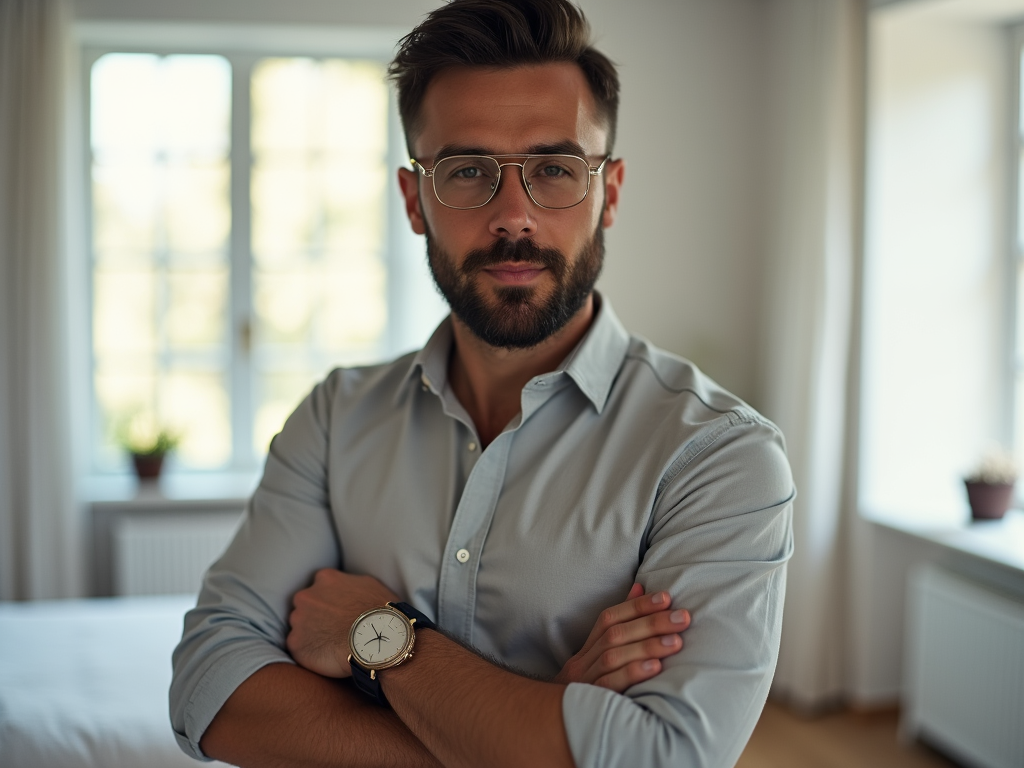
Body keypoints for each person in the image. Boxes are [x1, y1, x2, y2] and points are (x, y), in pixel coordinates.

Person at [170, 1, 795, 766]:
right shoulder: (337, 417)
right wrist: (526, 730)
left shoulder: (719, 459)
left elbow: (660, 758)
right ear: (414, 200)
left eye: (555, 170)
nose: (513, 214)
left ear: (612, 193)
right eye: (467, 171)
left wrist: (383, 638)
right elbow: (212, 691)